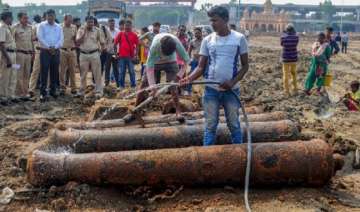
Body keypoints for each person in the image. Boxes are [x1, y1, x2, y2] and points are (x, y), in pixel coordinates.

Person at [180, 6, 249, 146]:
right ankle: (208, 156)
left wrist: (232, 82)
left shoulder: (239, 39)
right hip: (211, 90)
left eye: (215, 20)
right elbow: (200, 67)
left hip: (231, 91)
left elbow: (245, 66)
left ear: (225, 20)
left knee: (234, 124)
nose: (212, 23)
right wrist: (189, 79)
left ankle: (239, 154)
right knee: (210, 125)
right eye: (211, 20)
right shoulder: (208, 40)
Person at [135, 33, 190, 116]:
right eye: (164, 53)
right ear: (160, 46)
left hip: (171, 62)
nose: (165, 55)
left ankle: (178, 111)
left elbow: (186, 60)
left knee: (173, 86)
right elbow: (149, 69)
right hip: (155, 62)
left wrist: (179, 75)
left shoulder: (176, 43)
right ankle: (136, 109)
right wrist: (152, 87)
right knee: (144, 84)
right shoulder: (154, 46)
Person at [37, 9, 64, 102]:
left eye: (52, 16)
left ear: (55, 16)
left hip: (56, 51)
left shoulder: (59, 26)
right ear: (46, 16)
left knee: (54, 71)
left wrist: (54, 47)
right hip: (45, 51)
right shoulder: (42, 25)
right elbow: (40, 37)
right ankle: (43, 92)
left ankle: (53, 90)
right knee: (44, 71)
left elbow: (61, 39)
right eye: (48, 16)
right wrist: (49, 47)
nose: (50, 17)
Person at [76, 16, 105, 98]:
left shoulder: (97, 30)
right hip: (83, 54)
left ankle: (99, 91)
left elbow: (102, 43)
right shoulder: (81, 30)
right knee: (83, 74)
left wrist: (100, 52)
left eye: (92, 22)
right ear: (85, 22)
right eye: (89, 22)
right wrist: (84, 33)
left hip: (95, 53)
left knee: (97, 74)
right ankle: (82, 91)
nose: (90, 24)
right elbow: (78, 42)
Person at [13, 12, 34, 98]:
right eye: (24, 18)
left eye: (27, 18)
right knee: (18, 74)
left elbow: (31, 41)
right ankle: (18, 93)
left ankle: (25, 92)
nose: (26, 20)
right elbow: (11, 41)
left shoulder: (30, 27)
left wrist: (33, 52)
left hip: (28, 54)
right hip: (19, 54)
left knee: (27, 74)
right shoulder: (14, 27)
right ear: (19, 18)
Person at [114, 20, 139, 88]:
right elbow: (115, 44)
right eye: (126, 25)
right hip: (121, 57)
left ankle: (133, 85)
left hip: (131, 57)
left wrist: (136, 55)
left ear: (131, 26)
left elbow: (137, 46)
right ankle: (121, 86)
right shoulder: (120, 34)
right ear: (124, 26)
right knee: (122, 72)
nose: (127, 27)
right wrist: (116, 54)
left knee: (132, 72)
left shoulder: (134, 35)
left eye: (128, 25)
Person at [0, 10, 17, 105]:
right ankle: (3, 97)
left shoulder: (8, 27)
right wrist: (7, 59)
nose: (12, 19)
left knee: (13, 75)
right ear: (6, 18)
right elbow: (1, 44)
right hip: (7, 55)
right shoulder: (2, 27)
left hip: (13, 53)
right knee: (5, 76)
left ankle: (10, 96)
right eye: (11, 17)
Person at [28, 13, 44, 98]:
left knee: (39, 71)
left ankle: (33, 88)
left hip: (44, 51)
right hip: (38, 50)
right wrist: (40, 37)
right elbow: (32, 38)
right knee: (36, 70)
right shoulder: (35, 27)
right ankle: (31, 88)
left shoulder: (49, 27)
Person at [280, 24, 299, 96]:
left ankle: (287, 91)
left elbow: (282, 44)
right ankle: (295, 90)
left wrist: (284, 33)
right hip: (294, 58)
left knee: (285, 75)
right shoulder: (296, 37)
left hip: (285, 59)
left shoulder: (283, 38)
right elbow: (296, 42)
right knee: (294, 74)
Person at [185, 27, 203, 94]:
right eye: (195, 33)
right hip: (195, 61)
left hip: (203, 61)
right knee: (191, 75)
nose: (196, 34)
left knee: (206, 76)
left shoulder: (205, 41)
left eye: (198, 33)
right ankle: (188, 90)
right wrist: (189, 60)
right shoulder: (192, 41)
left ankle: (204, 90)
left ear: (201, 33)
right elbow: (189, 52)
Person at [103, 18, 120, 88]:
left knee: (116, 68)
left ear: (114, 24)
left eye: (113, 23)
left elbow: (119, 42)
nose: (112, 25)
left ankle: (118, 83)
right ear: (108, 24)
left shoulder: (118, 31)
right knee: (107, 68)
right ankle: (106, 83)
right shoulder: (105, 31)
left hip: (116, 52)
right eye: (110, 23)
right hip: (108, 52)